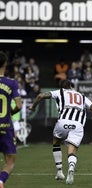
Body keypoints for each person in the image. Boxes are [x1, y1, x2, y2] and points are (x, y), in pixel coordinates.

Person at [28, 79, 92, 185]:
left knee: (56, 142)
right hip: (77, 125)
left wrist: (33, 106)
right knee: (72, 150)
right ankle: (71, 168)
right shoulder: (82, 96)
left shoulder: (59, 92)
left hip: (62, 122)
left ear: (61, 87)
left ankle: (60, 171)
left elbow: (41, 96)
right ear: (71, 86)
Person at [0, 51, 22, 188]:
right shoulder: (11, 83)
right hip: (5, 126)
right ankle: (0, 181)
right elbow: (18, 106)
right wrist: (10, 112)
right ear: (5, 64)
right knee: (10, 161)